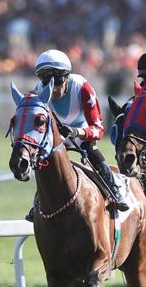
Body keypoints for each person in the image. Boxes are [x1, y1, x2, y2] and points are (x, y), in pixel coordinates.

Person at [32, 49, 129, 214]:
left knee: (91, 150)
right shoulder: (39, 91)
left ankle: (114, 189)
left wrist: (77, 132)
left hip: (81, 131)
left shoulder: (82, 86)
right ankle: (38, 201)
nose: (53, 89)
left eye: (58, 81)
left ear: (67, 77)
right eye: (46, 80)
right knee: (43, 160)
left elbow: (98, 129)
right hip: (58, 135)